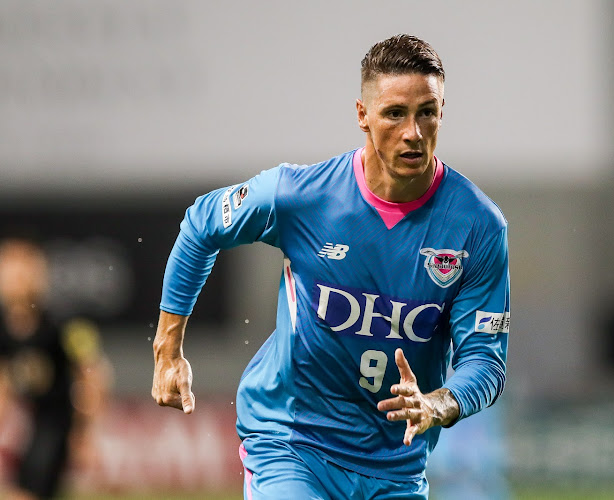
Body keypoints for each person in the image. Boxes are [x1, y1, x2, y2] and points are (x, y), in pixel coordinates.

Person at [152, 34, 510, 500]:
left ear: (443, 110)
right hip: (294, 443)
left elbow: (485, 358)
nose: (413, 132)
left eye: (427, 111)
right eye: (394, 113)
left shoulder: (477, 226)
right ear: (362, 115)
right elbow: (202, 225)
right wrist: (167, 350)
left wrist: (439, 402)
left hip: (395, 463)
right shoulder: (302, 197)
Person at [0, 237, 109, 500]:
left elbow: (94, 374)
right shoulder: (6, 327)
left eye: (22, 268)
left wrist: (85, 433)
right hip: (31, 421)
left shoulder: (62, 322)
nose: (14, 277)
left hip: (58, 423)